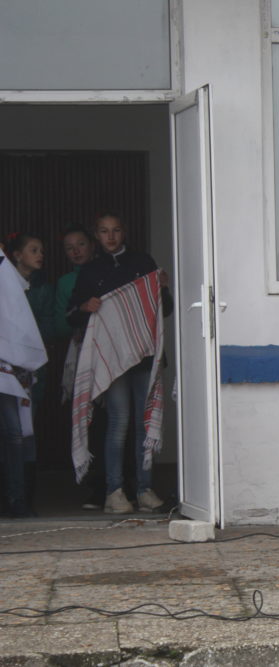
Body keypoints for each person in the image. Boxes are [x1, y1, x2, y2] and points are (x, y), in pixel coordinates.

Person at [68, 214, 173, 514]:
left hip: (143, 356)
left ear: (123, 232)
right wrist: (86, 307)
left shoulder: (143, 262)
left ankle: (144, 489)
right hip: (113, 360)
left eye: (115, 230)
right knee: (118, 423)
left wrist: (162, 288)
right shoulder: (91, 271)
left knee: (143, 423)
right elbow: (71, 315)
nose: (111, 237)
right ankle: (114, 492)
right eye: (104, 231)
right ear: (96, 235)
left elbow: (165, 309)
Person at [54, 224, 106, 510]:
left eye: (81, 245)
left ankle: (118, 483)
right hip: (81, 353)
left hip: (109, 353)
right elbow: (60, 324)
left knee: (113, 419)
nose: (76, 251)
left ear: (92, 245)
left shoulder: (105, 271)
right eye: (69, 248)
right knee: (90, 419)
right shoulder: (65, 282)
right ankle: (95, 484)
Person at [8, 232, 56, 516]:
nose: (40, 255)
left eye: (42, 251)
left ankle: (25, 499)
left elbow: (48, 329)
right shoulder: (6, 285)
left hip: (32, 371)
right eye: (33, 250)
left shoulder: (42, 289)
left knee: (26, 433)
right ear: (17, 255)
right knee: (11, 434)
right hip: (6, 370)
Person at [0, 248, 48, 517]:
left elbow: (14, 311)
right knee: (14, 435)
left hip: (5, 366)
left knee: (15, 435)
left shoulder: (3, 268)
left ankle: (17, 500)